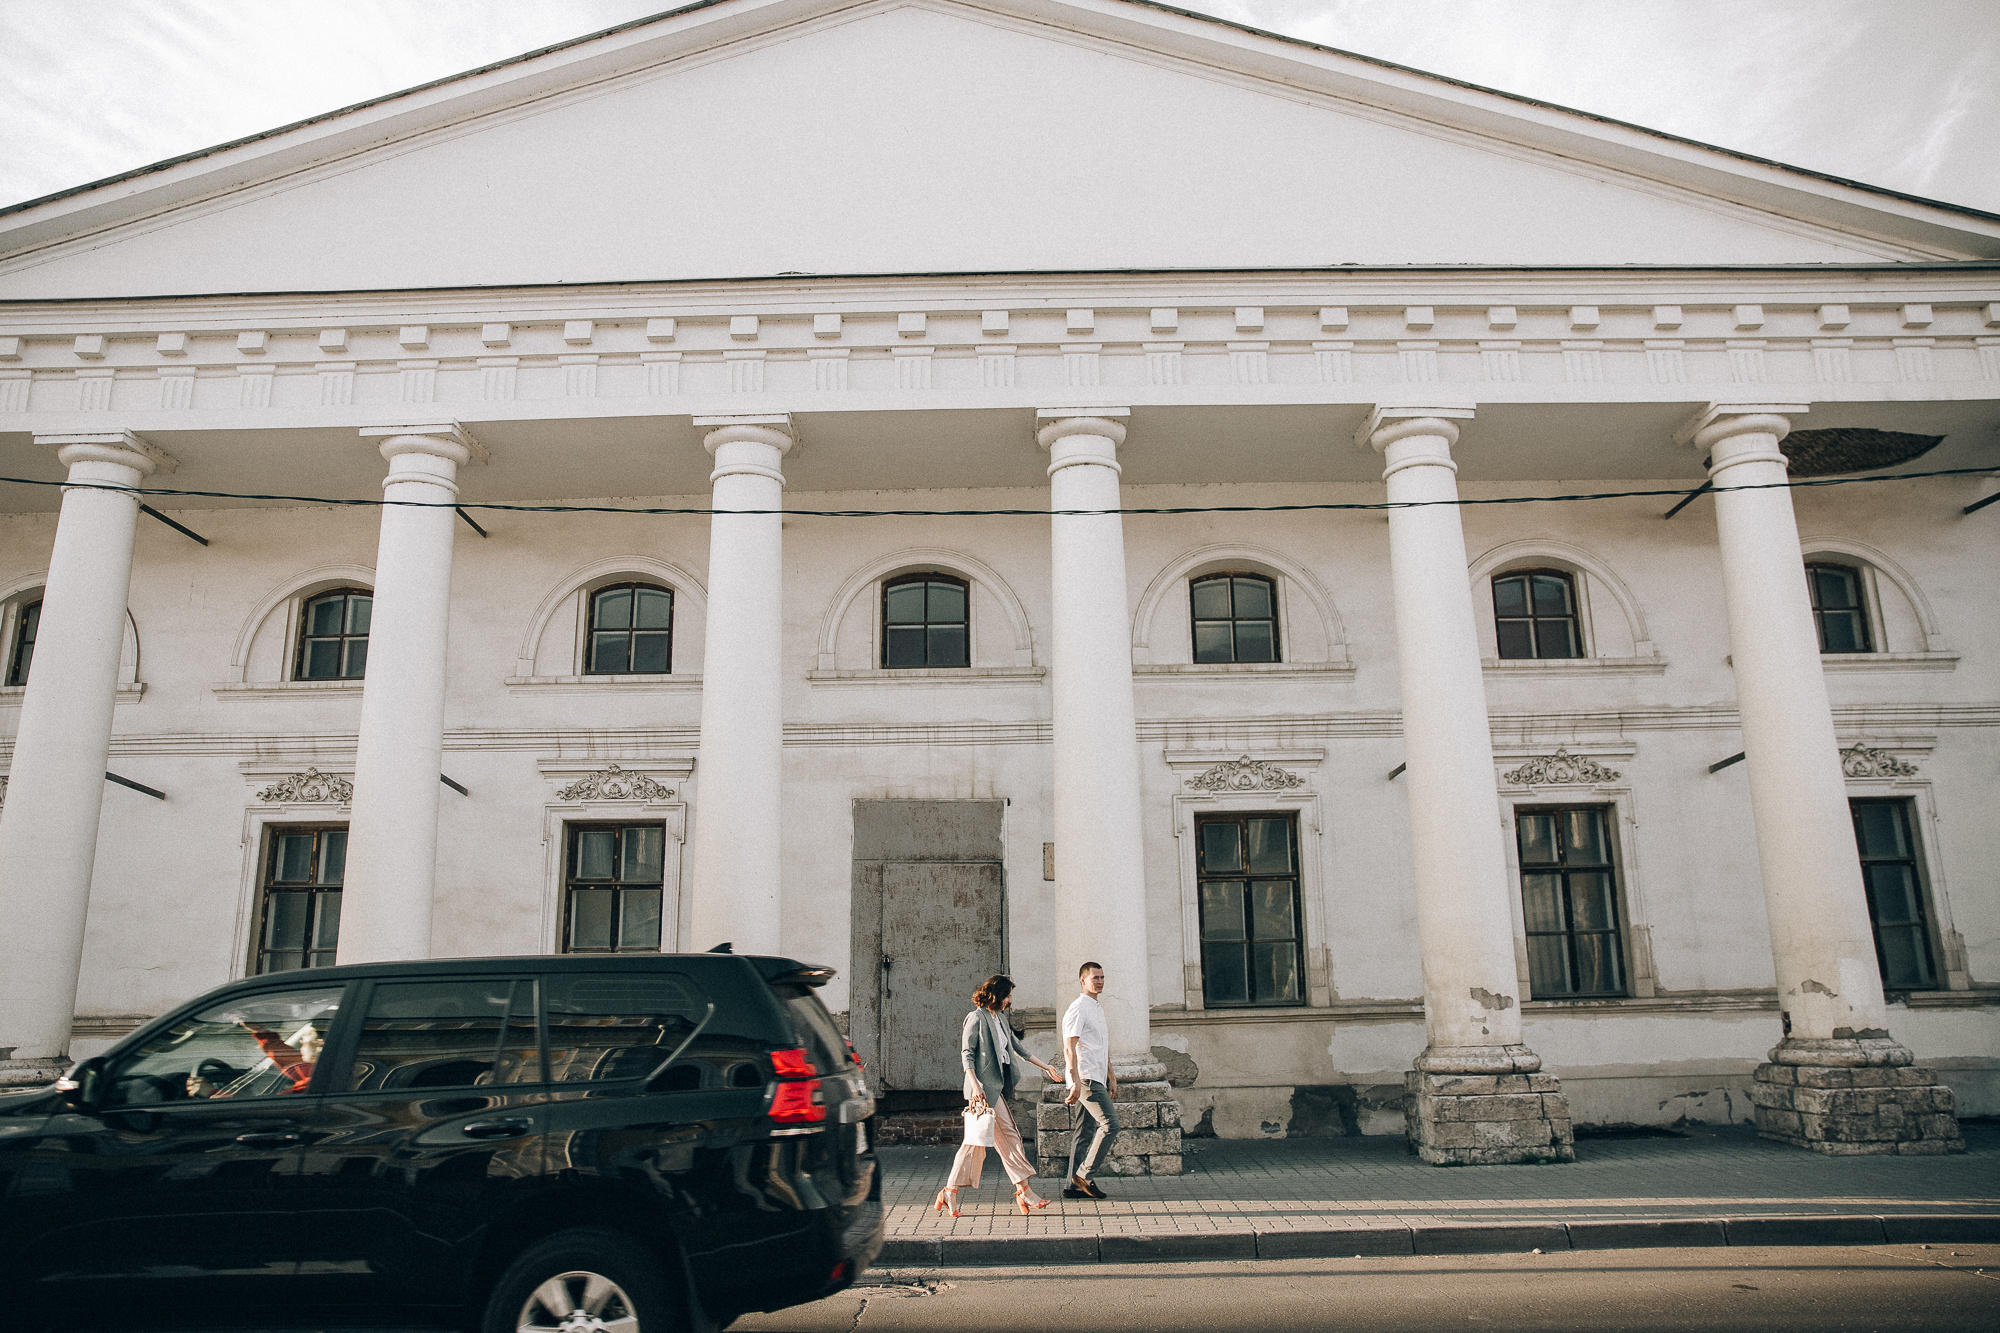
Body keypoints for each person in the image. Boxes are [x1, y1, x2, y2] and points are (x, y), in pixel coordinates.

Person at [933, 974, 1064, 1217]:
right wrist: (975, 1086)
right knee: (989, 1141)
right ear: (996, 995)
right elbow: (966, 1055)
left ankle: (952, 1192)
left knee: (987, 1142)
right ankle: (1022, 1192)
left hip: (994, 1088)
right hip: (981, 1092)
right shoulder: (976, 1018)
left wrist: (1045, 1067)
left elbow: (1017, 1047)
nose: (1009, 1001)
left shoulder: (1000, 1019)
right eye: (1007, 996)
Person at [1061, 961, 1119, 1200]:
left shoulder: (1096, 1007)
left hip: (1098, 1075)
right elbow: (1069, 1046)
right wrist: (1074, 1080)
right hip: (1085, 1077)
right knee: (1110, 1125)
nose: (1100, 981)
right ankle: (1084, 1174)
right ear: (1083, 980)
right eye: (1095, 977)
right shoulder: (1078, 1008)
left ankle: (1072, 1186)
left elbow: (1101, 1046)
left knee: (1084, 1133)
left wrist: (1111, 1075)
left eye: (1102, 977)